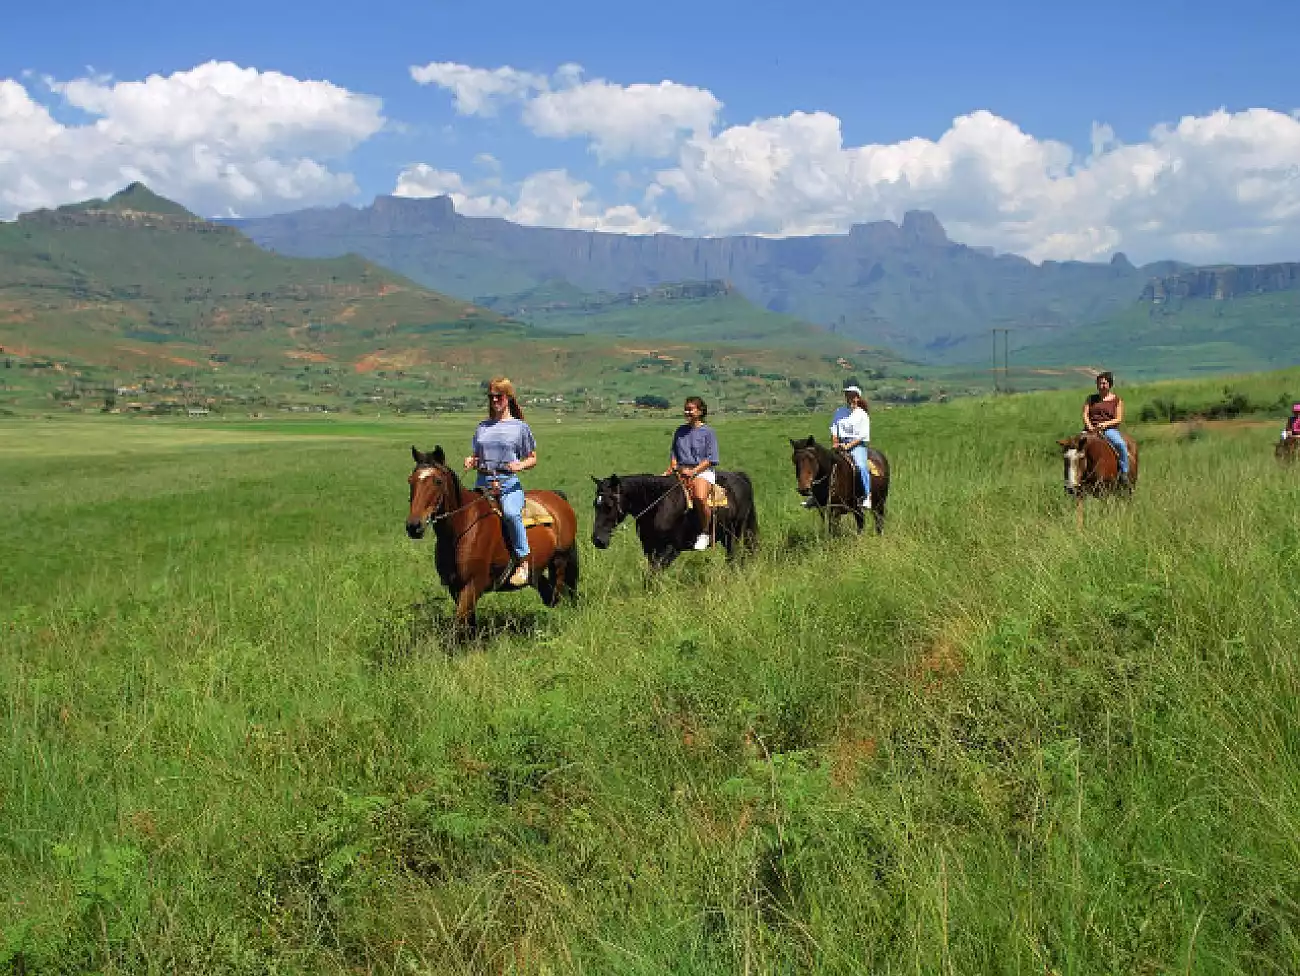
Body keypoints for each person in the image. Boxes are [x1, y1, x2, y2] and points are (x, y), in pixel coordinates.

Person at [463, 377, 537, 586]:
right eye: (492, 397)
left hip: (507, 484)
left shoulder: (519, 427)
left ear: (508, 398)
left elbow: (532, 457)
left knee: (512, 514)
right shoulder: (483, 427)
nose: (495, 400)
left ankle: (523, 563)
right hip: (482, 483)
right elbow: (478, 455)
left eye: (499, 396)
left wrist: (520, 465)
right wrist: (472, 460)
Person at [666, 395, 719, 550]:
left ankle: (705, 532)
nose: (687, 412)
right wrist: (675, 467)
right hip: (680, 470)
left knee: (699, 497)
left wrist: (694, 471)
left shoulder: (708, 432)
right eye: (686, 409)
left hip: (702, 471)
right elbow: (674, 454)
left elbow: (711, 458)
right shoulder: (679, 431)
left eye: (690, 409)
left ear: (700, 411)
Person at [1082, 371, 1130, 483]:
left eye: (1104, 383)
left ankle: (1124, 472)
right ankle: (1074, 477)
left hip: (1108, 429)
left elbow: (1118, 419)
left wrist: (1104, 425)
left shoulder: (1117, 400)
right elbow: (1085, 414)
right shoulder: (1091, 399)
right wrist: (1090, 427)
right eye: (1099, 383)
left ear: (1109, 384)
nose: (1101, 386)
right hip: (1090, 429)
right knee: (1074, 447)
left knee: (1120, 444)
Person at [830, 384, 872, 508]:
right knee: (823, 463)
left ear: (858, 398)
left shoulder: (862, 415)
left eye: (853, 396)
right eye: (848, 396)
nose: (850, 398)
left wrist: (848, 446)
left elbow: (862, 436)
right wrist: (835, 443)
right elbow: (834, 428)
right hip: (840, 444)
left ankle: (867, 495)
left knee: (860, 465)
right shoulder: (839, 412)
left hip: (856, 445)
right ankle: (816, 496)